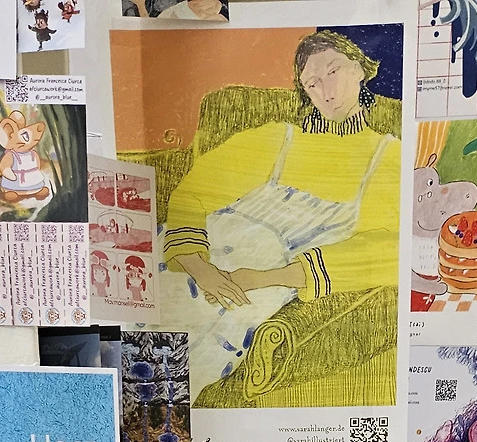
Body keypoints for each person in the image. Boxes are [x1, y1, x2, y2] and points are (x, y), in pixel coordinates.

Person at [159, 30, 400, 396]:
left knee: (177, 376)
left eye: (333, 71)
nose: (326, 90)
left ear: (360, 69)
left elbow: (385, 251)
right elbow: (192, 194)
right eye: (312, 83)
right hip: (195, 260)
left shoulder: (387, 156)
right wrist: (201, 269)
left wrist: (263, 278)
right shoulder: (276, 138)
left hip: (261, 284)